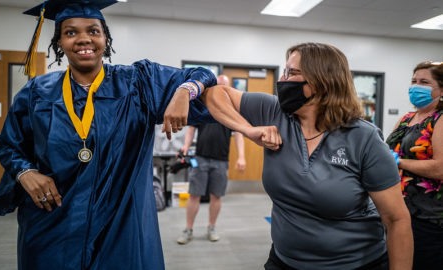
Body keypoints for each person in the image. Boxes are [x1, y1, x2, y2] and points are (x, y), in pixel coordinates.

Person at [0, 0, 217, 269]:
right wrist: (24, 172)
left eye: (93, 31)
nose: (83, 39)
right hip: (52, 226)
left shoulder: (138, 83)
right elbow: (8, 145)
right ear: (59, 43)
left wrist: (185, 91)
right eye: (71, 32)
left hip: (119, 228)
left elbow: (203, 74)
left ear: (106, 38)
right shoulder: (36, 93)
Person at [200, 42, 413, 269]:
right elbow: (214, 94)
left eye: (292, 73)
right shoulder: (274, 111)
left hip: (356, 264)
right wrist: (247, 129)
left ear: (321, 82)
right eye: (284, 71)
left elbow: (396, 220)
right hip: (285, 261)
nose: (282, 79)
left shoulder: (363, 138)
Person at [386, 61, 443, 270]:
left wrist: (398, 162)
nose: (416, 86)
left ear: (441, 89)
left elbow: (440, 168)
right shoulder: (407, 118)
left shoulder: (440, 119)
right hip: (397, 209)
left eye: (424, 82)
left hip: (426, 215)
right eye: (414, 81)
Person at [177, 75, 246, 245]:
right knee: (194, 195)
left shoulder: (232, 109)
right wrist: (185, 146)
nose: (222, 89)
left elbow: (238, 134)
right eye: (219, 86)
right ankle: (188, 229)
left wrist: (242, 157)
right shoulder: (202, 105)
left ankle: (212, 227)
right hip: (200, 158)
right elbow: (191, 129)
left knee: (216, 196)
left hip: (221, 160)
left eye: (225, 87)